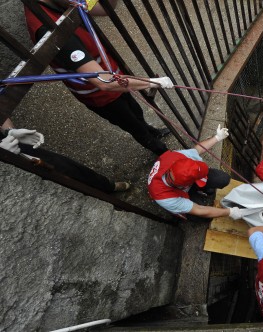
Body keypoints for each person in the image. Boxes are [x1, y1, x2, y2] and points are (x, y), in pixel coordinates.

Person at [24, 0, 173, 156]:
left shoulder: (67, 1)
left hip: (114, 76)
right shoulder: (48, 28)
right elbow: (104, 83)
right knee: (132, 125)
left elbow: (104, 8)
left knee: (135, 110)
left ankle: (152, 132)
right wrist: (152, 82)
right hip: (97, 93)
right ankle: (161, 152)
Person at [1, 118, 130, 193]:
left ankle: (107, 186)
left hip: (11, 145)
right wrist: (5, 157)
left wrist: (9, 132)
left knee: (66, 166)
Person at [148, 124, 242, 220]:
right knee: (204, 217)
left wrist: (217, 137)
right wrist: (229, 212)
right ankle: (196, 194)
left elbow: (197, 150)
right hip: (178, 195)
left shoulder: (176, 157)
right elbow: (199, 209)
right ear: (186, 185)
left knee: (223, 179)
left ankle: (203, 189)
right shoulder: (166, 198)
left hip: (181, 184)